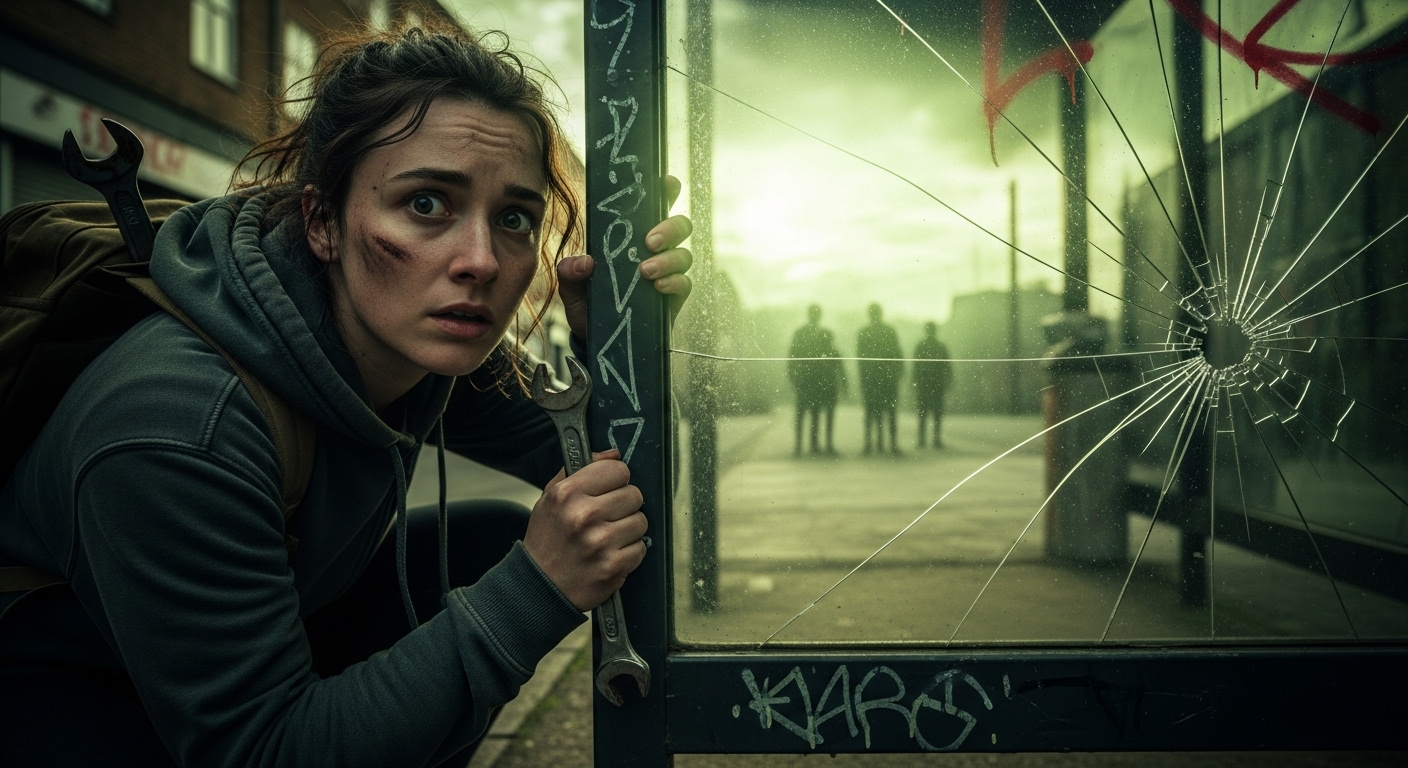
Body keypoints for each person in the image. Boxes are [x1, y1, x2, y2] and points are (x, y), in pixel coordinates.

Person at [0, 23, 693, 766]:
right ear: (323, 222)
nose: (482, 261)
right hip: (71, 704)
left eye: (514, 218)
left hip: (266, 640)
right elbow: (264, 752)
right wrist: (537, 591)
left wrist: (614, 346)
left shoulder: (427, 341)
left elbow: (625, 492)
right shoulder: (181, 423)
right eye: (426, 204)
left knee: (486, 538)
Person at [786, 304, 843, 455]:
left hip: (807, 379)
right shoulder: (817, 334)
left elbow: (792, 356)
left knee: (807, 413)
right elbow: (793, 356)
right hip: (808, 380)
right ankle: (810, 446)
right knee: (810, 413)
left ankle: (804, 446)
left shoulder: (803, 333)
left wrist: (792, 376)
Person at [856, 303, 903, 455]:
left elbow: (860, 359)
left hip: (872, 379)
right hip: (887, 379)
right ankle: (891, 445)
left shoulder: (864, 333)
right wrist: (897, 374)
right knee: (889, 412)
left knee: (871, 413)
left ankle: (870, 445)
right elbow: (898, 355)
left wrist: (863, 378)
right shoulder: (889, 331)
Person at [912, 321, 953, 448]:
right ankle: (935, 440)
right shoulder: (940, 346)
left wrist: (914, 382)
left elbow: (915, 366)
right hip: (936, 384)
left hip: (924, 385)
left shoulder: (921, 346)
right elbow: (947, 366)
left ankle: (922, 440)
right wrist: (948, 380)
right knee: (936, 414)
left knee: (923, 414)